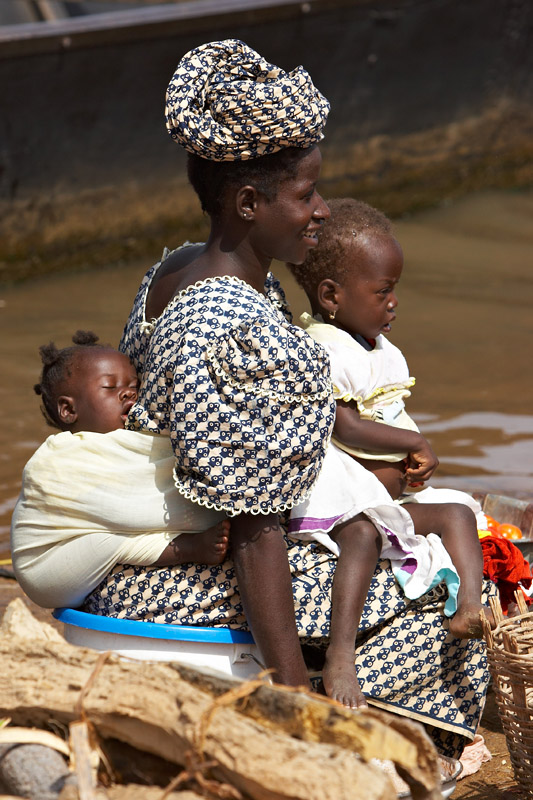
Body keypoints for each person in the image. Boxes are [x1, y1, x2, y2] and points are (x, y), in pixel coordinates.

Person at [17, 39, 495, 760]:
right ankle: (396, 750)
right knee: (432, 592)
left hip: (153, 554)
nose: (319, 210)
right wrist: (293, 698)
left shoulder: (175, 271)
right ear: (248, 202)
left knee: (408, 535)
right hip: (188, 576)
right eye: (304, 194)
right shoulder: (239, 329)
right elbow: (254, 531)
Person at [287, 197, 495, 706]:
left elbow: (392, 416)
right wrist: (412, 444)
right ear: (332, 295)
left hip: (388, 496)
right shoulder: (323, 347)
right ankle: (340, 657)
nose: (393, 303)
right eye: (382, 291)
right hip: (342, 496)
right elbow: (345, 423)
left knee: (458, 513)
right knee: (359, 535)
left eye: (394, 289)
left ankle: (469, 604)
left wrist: (415, 465)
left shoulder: (380, 348)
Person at [10, 331, 230, 608]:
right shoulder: (60, 456)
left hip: (92, 562)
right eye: (110, 387)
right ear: (68, 409)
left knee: (119, 535)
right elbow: (122, 510)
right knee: (112, 539)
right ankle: (186, 548)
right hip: (48, 565)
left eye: (133, 386)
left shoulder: (129, 446)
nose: (128, 393)